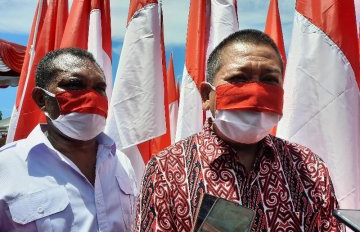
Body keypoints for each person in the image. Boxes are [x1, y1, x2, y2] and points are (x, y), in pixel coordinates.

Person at [135, 29, 344, 231]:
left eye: (270, 80)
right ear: (207, 96)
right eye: (239, 79)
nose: (256, 93)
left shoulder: (310, 168)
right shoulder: (166, 169)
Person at [0, 48, 137, 231]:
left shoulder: (122, 163)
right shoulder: (6, 168)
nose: (91, 97)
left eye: (99, 88)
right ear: (42, 99)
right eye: (74, 85)